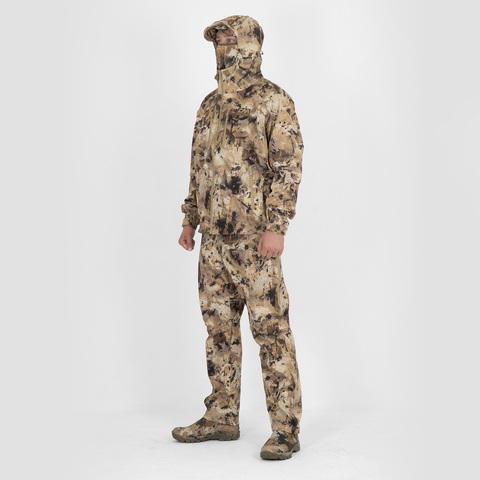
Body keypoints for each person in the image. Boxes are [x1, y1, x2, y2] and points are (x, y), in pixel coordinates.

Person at [173, 14, 304, 461]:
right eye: (219, 40)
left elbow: (288, 168)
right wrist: (190, 220)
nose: (224, 46)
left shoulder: (274, 100)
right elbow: (199, 166)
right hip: (213, 242)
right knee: (219, 332)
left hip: (255, 241)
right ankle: (222, 416)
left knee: (271, 332)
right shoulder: (209, 105)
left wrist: (276, 226)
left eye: (232, 38)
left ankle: (285, 429)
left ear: (251, 45)